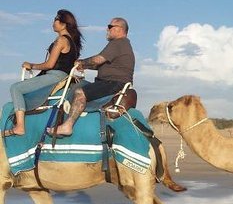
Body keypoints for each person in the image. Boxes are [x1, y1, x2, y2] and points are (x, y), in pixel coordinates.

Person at [48, 17, 135, 137]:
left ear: (120, 29)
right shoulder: (120, 45)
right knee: (76, 86)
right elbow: (100, 65)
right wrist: (84, 66)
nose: (107, 29)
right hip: (109, 81)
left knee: (80, 92)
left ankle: (68, 126)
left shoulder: (119, 43)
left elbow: (98, 59)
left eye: (110, 27)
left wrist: (82, 63)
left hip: (114, 83)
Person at [4, 9, 83, 137]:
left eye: (56, 20)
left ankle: (19, 126)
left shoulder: (61, 40)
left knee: (15, 88)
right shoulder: (72, 42)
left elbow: (49, 65)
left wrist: (31, 65)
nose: (53, 22)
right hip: (62, 76)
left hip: (55, 76)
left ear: (63, 24)